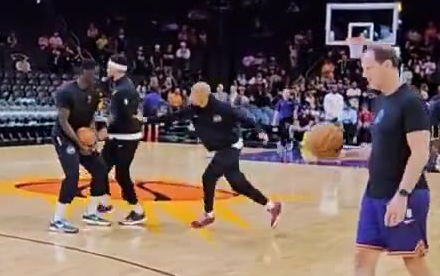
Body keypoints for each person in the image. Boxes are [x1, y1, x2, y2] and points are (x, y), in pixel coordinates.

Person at [312, 44, 439, 276]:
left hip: (404, 195)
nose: (364, 73)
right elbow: (381, 149)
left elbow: (421, 153)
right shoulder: (381, 102)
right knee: (363, 258)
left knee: (414, 260)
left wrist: (403, 195)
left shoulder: (411, 102)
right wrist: (348, 153)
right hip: (375, 194)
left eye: (368, 67)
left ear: (388, 65)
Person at [149, 82, 282, 230]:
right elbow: (172, 117)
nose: (191, 97)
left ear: (203, 96)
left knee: (209, 176)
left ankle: (209, 214)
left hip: (232, 146)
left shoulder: (222, 108)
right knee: (238, 184)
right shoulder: (194, 110)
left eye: (194, 94)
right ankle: (272, 206)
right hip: (221, 149)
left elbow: (245, 118)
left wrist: (259, 131)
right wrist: (147, 120)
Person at [49, 62, 109, 234]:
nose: (96, 77)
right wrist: (79, 144)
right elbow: (63, 121)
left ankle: (91, 213)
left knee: (100, 169)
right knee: (72, 174)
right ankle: (57, 219)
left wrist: (92, 140)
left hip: (82, 136)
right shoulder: (66, 92)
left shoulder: (95, 93)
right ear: (84, 72)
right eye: (93, 73)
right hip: (64, 137)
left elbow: (90, 119)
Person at [96, 55, 146, 226]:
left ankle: (137, 210)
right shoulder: (118, 85)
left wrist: (104, 129)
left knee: (121, 174)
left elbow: (126, 116)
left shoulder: (124, 89)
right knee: (100, 167)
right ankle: (104, 203)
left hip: (127, 137)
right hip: (117, 135)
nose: (107, 68)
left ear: (117, 70)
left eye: (110, 66)